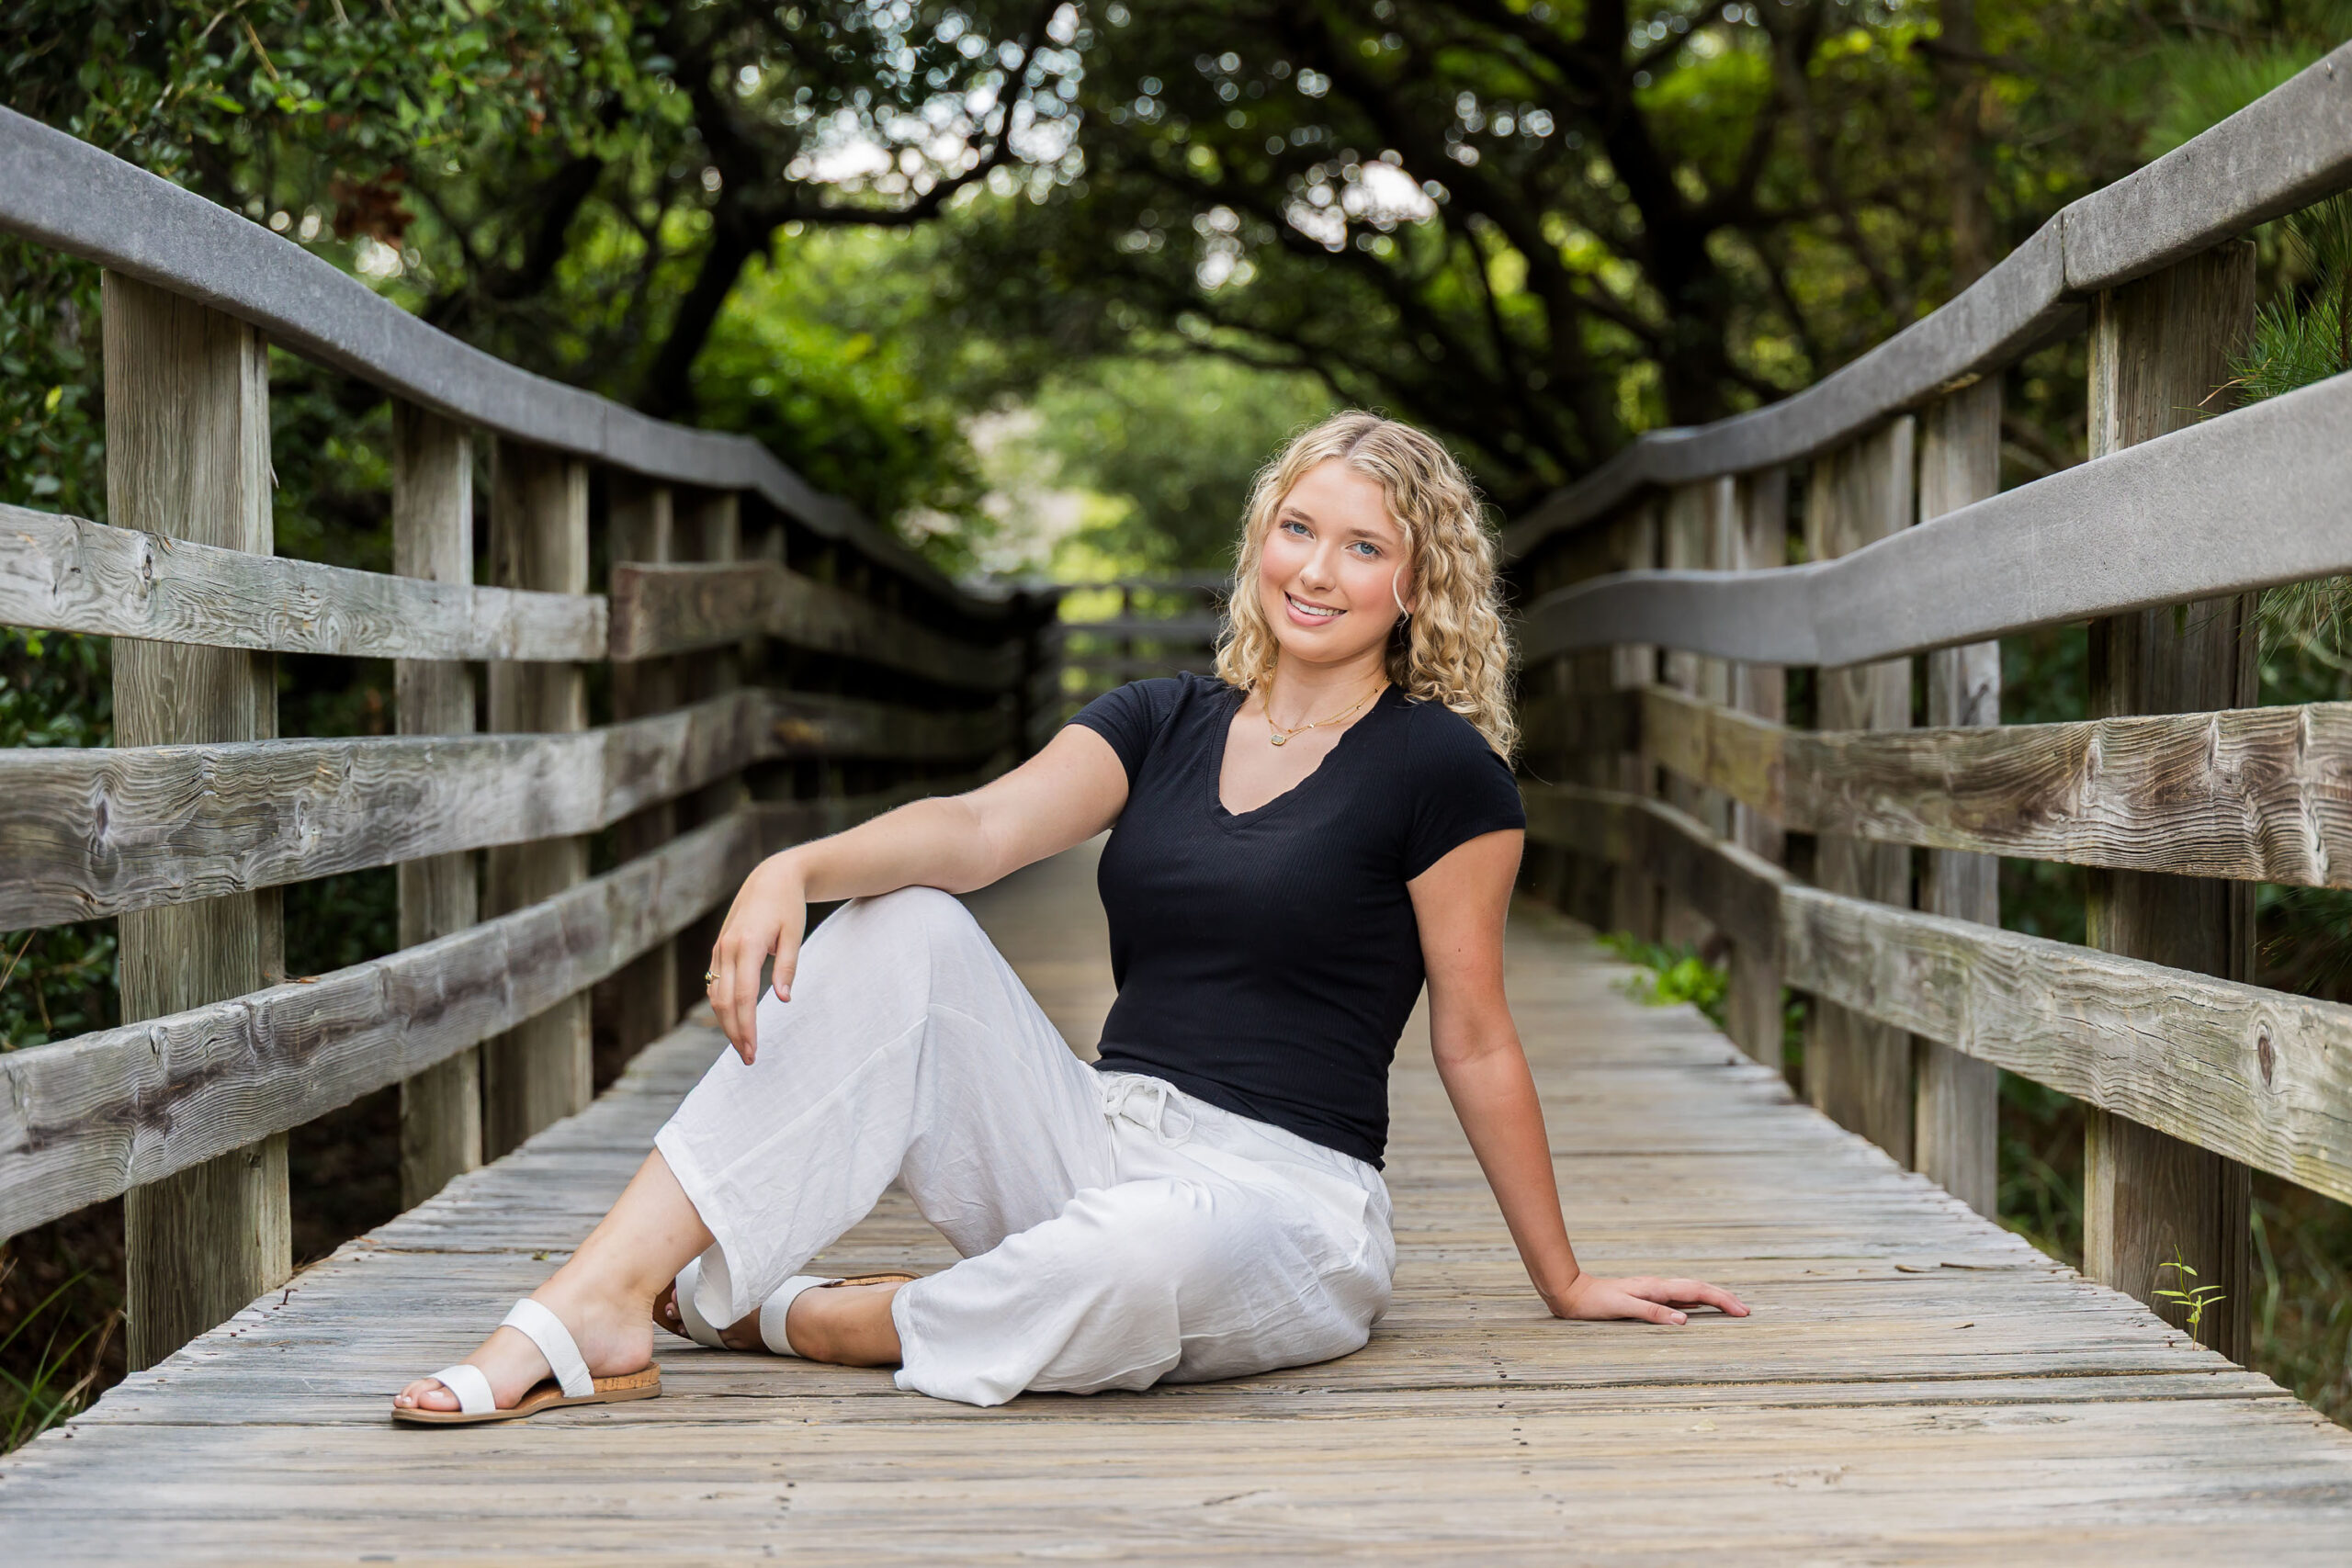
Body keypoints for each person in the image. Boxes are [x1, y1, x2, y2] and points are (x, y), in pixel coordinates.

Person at [391, 412, 1748, 1423]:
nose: (1318, 571)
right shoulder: (1162, 717)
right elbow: (981, 832)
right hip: (1099, 1135)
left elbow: (1476, 1036)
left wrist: (1564, 1280)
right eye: (1297, 528)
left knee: (1149, 1252)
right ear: (1260, 539)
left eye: (1363, 547)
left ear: (1415, 585)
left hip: (1279, 1203)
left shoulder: (1445, 769)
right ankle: (601, 1299)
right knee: (905, 923)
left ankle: (818, 1318)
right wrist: (798, 866)